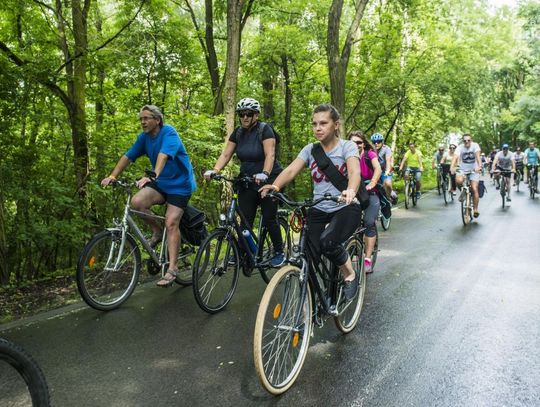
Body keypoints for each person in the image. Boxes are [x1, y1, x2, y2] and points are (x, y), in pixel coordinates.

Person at [260, 104, 362, 300]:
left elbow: (354, 172)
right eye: (314, 124)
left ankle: (349, 274)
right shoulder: (310, 150)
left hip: (345, 206)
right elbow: (291, 170)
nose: (318, 128)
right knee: (307, 256)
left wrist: (350, 190)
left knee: (328, 242)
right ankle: (310, 305)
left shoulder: (347, 147)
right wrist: (275, 186)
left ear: (336, 125)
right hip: (319, 207)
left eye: (323, 123)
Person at [101, 105, 196, 287]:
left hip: (180, 185)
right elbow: (128, 156)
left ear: (157, 120)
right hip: (161, 182)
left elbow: (163, 156)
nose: (142, 122)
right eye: (141, 119)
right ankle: (157, 231)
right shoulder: (144, 138)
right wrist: (113, 176)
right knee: (137, 202)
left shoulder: (169, 133)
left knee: (171, 222)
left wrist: (152, 176)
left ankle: (173, 268)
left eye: (146, 118)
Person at [204, 97, 284, 268]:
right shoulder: (238, 133)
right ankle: (244, 250)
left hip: (269, 178)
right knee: (245, 219)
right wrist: (215, 170)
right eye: (241, 114)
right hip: (247, 179)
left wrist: (265, 173)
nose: (245, 117)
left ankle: (279, 251)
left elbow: (270, 154)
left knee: (269, 217)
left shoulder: (265, 130)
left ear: (256, 115)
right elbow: (226, 154)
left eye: (248, 114)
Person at [351, 132, 382, 274]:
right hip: (354, 194)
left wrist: (373, 182)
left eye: (359, 142)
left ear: (363, 144)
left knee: (369, 222)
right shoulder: (347, 156)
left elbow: (378, 168)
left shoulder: (370, 154)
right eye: (353, 142)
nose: (356, 145)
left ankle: (368, 258)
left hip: (370, 193)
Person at [450, 133, 482, 217]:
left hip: (474, 170)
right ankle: (464, 192)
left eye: (468, 140)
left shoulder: (475, 146)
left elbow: (478, 157)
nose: (466, 142)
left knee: (474, 188)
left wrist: (479, 166)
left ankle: (475, 209)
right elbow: (455, 157)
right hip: (463, 169)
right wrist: (451, 167)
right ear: (463, 141)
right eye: (465, 141)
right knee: (458, 181)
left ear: (471, 140)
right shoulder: (460, 147)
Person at [371, 133, 397, 204]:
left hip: (385, 170)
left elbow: (388, 161)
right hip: (375, 171)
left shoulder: (386, 149)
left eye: (378, 142)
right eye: (374, 142)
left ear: (382, 142)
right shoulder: (371, 149)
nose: (376, 143)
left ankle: (388, 199)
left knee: (387, 183)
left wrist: (387, 171)